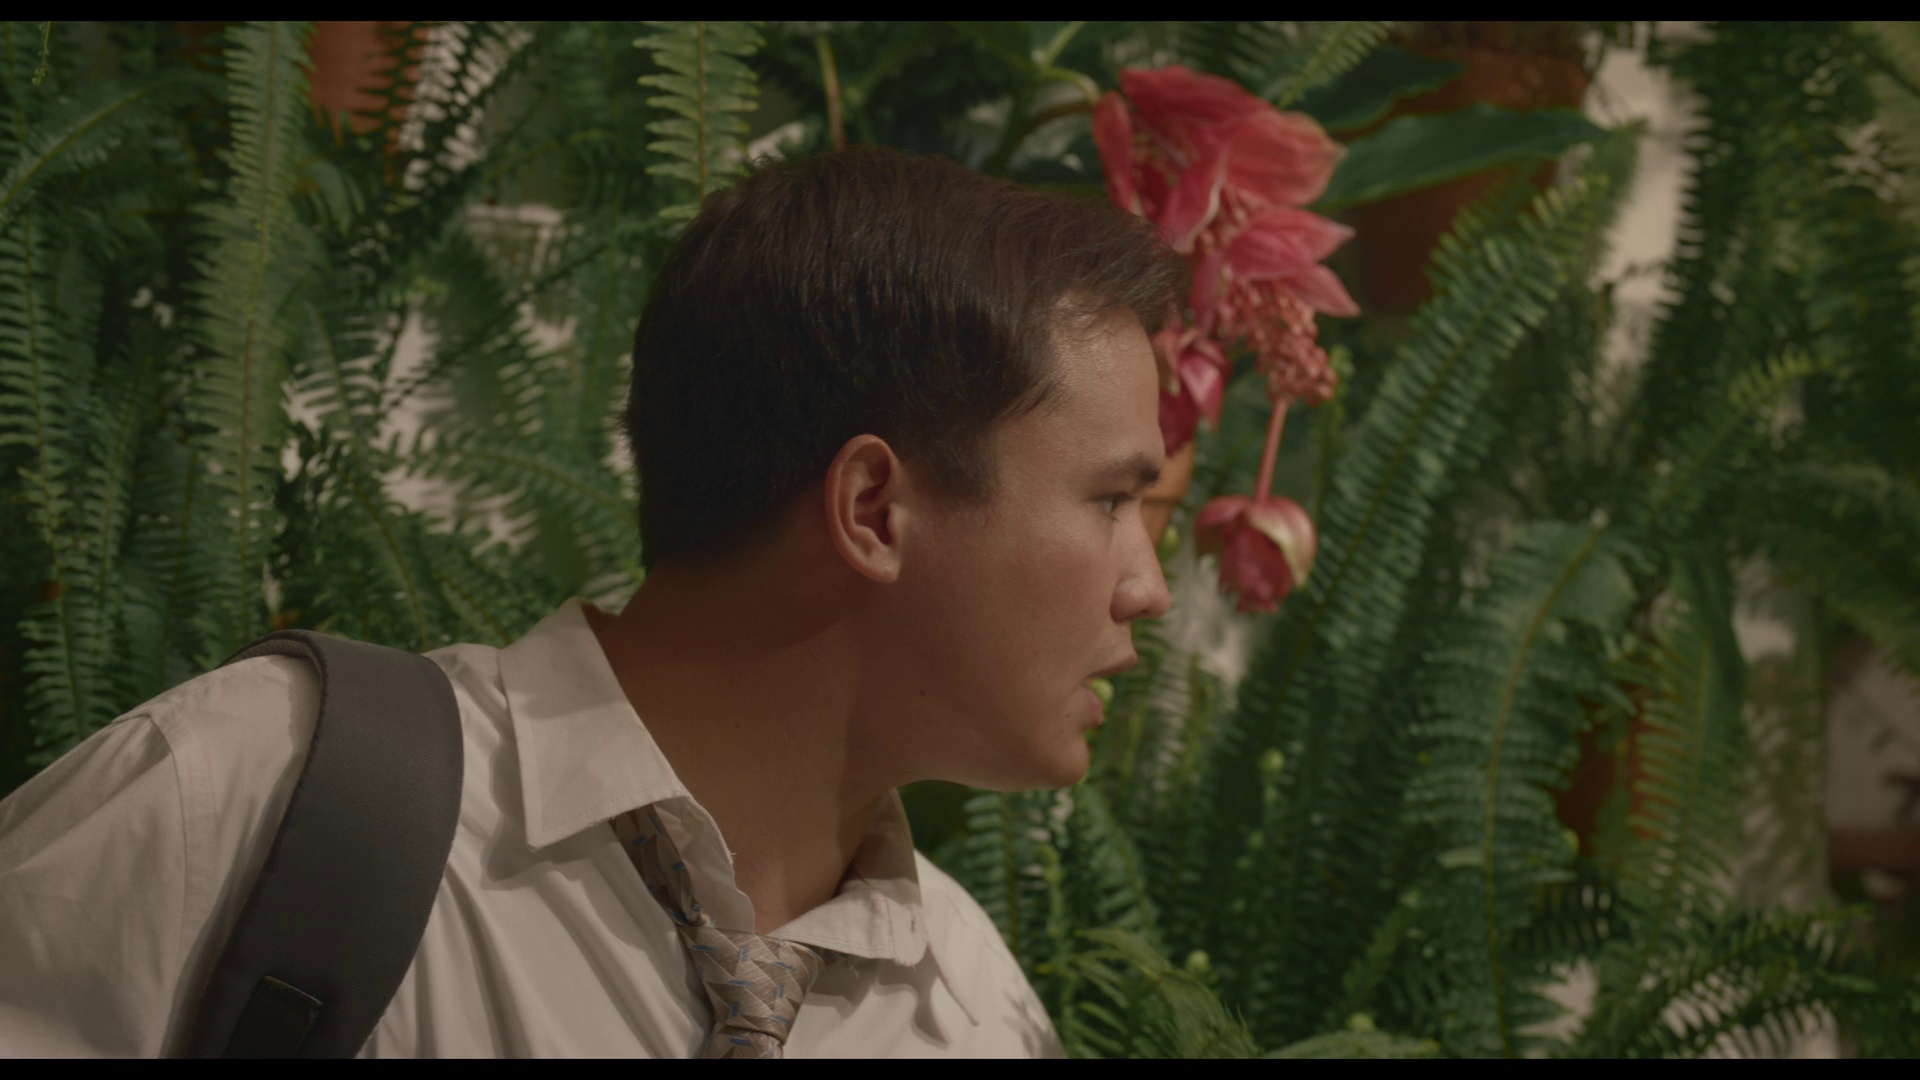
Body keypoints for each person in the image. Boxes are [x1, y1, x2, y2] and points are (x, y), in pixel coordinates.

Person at [0, 144, 1182, 1058]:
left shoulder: (974, 1012)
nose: (1151, 587)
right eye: (1112, 501)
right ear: (873, 508)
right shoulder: (260, 805)